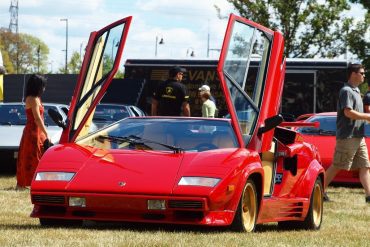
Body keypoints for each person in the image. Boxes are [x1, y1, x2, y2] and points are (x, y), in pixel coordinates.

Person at [324, 63, 370, 203]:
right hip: (348, 136)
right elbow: (348, 112)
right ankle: (317, 190)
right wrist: (367, 117)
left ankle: (369, 196)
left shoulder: (356, 91)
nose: (364, 76)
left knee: (365, 166)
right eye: (362, 73)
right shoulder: (346, 91)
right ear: (353, 74)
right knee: (338, 165)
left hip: (358, 136)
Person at [16, 74, 49, 190]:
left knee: (35, 155)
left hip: (36, 130)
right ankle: (27, 182)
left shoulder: (36, 98)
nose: (44, 89)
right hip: (33, 131)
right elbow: (37, 118)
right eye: (42, 86)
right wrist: (46, 133)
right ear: (37, 86)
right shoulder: (33, 99)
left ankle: (32, 181)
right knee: (32, 156)